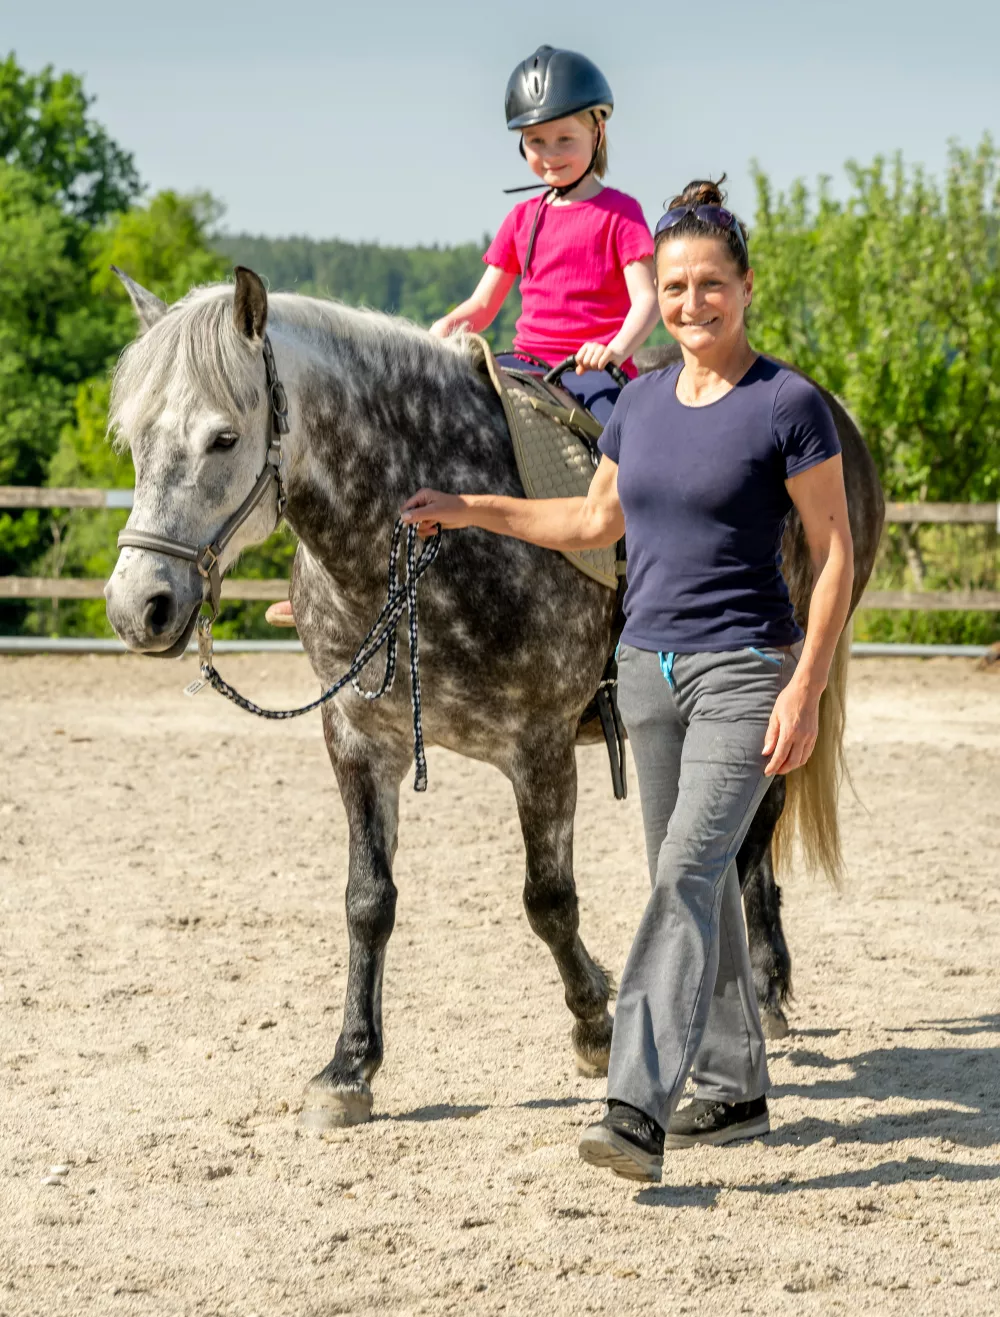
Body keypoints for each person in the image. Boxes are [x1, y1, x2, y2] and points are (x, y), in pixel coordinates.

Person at [400, 178, 854, 1184]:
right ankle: (733, 1085)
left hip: (744, 673)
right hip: (644, 678)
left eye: (710, 286)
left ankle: (636, 1105)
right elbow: (591, 524)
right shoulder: (639, 402)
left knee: (684, 878)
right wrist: (471, 507)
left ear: (743, 289)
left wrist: (805, 684)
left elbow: (832, 552)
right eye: (678, 287)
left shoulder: (786, 404)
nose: (691, 304)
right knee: (690, 887)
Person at [265, 45, 657, 627]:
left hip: (593, 366)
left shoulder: (620, 214)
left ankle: (641, 582)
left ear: (598, 132)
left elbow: (647, 299)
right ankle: (338, 590)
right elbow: (483, 302)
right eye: (535, 143)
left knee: (633, 453)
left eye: (563, 140)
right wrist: (447, 328)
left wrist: (615, 349)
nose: (548, 156)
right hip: (522, 361)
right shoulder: (522, 220)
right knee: (427, 426)